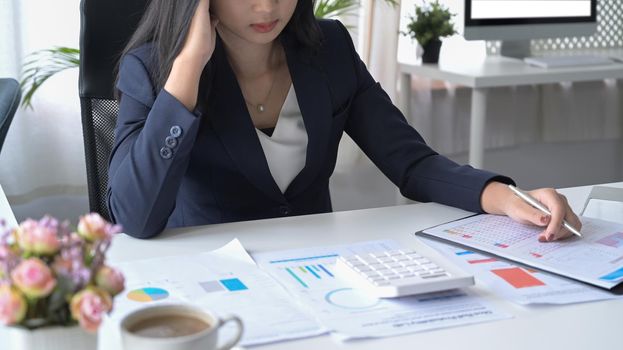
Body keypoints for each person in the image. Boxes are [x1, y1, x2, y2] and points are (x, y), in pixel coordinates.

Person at [109, 0, 581, 240]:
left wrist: (505, 197)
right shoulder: (154, 71)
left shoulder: (329, 49)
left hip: (320, 271)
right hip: (217, 284)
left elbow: (411, 162)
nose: (268, 6)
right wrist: (188, 67)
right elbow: (136, 217)